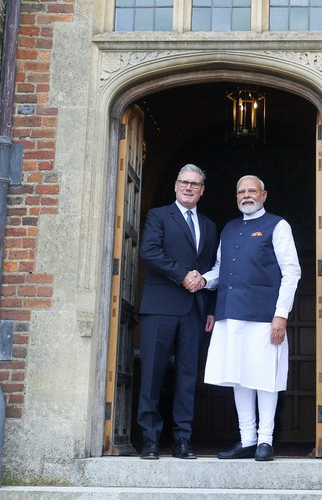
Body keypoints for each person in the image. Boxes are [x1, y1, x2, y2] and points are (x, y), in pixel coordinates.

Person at [188, 174, 300, 462]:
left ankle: (265, 440)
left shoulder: (278, 225)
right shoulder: (229, 228)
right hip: (230, 315)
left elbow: (292, 272)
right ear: (236, 196)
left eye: (252, 191)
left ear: (264, 195)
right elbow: (220, 269)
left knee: (265, 377)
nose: (246, 195)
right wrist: (203, 280)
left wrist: (281, 315)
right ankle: (247, 438)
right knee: (239, 377)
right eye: (241, 191)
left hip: (264, 316)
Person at [136, 164, 218, 460]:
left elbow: (210, 269)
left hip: (194, 310)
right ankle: (150, 440)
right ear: (175, 185)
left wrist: (209, 307)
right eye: (184, 182)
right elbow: (150, 252)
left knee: (187, 376)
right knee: (152, 374)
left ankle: (183, 439)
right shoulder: (159, 215)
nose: (188, 188)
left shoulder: (209, 225)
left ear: (202, 190)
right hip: (160, 306)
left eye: (195, 184)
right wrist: (183, 274)